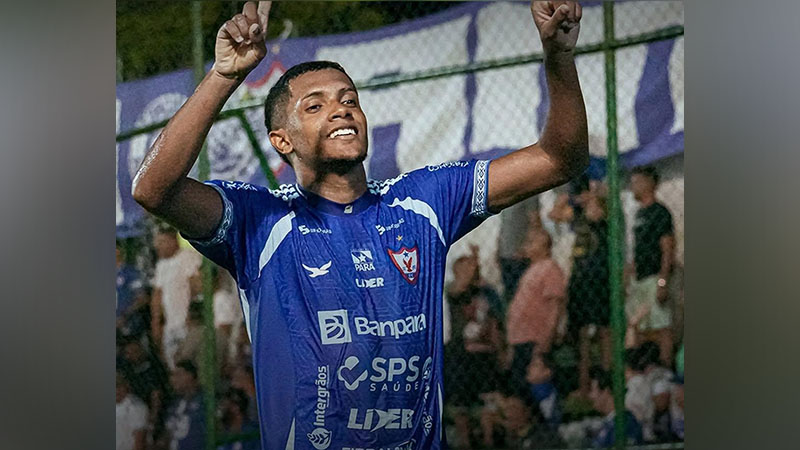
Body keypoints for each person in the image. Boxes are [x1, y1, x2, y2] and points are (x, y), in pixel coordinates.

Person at [131, 1, 589, 448]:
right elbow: (154, 188)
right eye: (315, 106)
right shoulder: (261, 221)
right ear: (281, 141)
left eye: (349, 99)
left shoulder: (423, 201)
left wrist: (559, 58)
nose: (341, 109)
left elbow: (558, 158)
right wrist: (224, 75)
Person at [549, 175, 611, 396]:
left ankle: (606, 380)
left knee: (604, 329)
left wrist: (592, 194)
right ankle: (584, 384)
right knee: (582, 332)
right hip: (581, 275)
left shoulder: (600, 208)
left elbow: (595, 212)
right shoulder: (575, 213)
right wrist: (565, 198)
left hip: (599, 275)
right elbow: (554, 215)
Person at [443, 249, 503, 449]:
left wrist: (500, 349)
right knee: (462, 405)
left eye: (473, 266)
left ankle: (488, 441)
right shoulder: (452, 290)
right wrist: (473, 262)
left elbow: (494, 324)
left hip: (484, 355)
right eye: (466, 266)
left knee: (488, 400)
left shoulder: (487, 293)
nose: (472, 269)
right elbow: (459, 288)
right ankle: (466, 443)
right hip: (462, 356)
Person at [505, 228, 567, 401]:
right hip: (519, 338)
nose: (527, 245)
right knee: (518, 386)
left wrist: (546, 339)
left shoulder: (550, 268)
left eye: (532, 242)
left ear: (545, 246)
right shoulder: (531, 269)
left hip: (534, 338)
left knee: (534, 387)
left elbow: (555, 307)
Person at [626, 165, 676, 366]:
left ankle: (664, 370)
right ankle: (645, 368)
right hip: (640, 278)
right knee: (642, 327)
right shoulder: (639, 214)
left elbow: (668, 248)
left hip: (655, 276)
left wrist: (663, 281)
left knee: (662, 327)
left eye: (637, 182)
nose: (633, 187)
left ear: (649, 183)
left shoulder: (660, 212)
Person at [150, 226, 203, 370]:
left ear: (173, 240)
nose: (158, 246)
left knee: (187, 364)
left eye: (162, 242)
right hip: (170, 324)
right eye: (158, 242)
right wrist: (156, 323)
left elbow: (196, 287)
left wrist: (193, 314)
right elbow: (157, 295)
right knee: (171, 366)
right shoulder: (161, 265)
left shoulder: (188, 257)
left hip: (186, 322)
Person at [587, 367, 643, 448]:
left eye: (593, 390)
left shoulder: (625, 423)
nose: (590, 396)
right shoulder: (611, 421)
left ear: (606, 392)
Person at [162, 360, 207, 450]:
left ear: (190, 376)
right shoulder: (175, 403)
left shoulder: (205, 400)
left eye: (178, 375)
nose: (172, 379)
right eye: (172, 375)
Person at [116, 371, 149, 450]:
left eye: (118, 386)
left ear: (126, 386)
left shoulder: (137, 406)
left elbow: (139, 441)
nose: (116, 390)